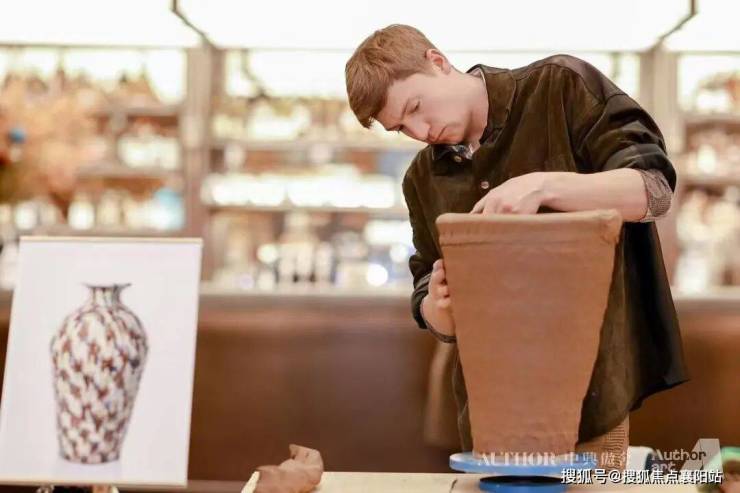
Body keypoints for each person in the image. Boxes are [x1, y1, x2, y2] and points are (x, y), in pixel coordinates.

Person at [344, 24, 689, 470]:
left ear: (438, 62)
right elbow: (428, 287)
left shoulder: (560, 87)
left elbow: (655, 191)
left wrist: (543, 186)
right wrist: (436, 307)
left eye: (415, 107)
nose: (420, 131)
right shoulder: (421, 179)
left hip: (593, 391)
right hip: (489, 409)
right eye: (401, 128)